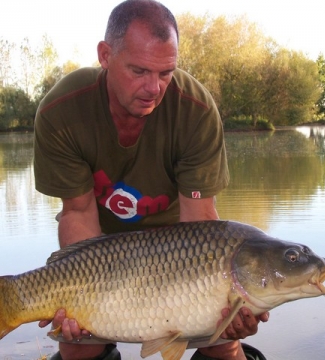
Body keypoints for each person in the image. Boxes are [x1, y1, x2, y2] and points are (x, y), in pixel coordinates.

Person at [33, 0, 269, 359]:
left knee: (224, 344)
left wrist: (222, 313)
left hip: (179, 250)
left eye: (165, 72)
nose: (154, 88)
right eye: (139, 71)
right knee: (77, 346)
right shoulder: (62, 111)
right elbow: (78, 214)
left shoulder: (195, 110)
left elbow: (201, 222)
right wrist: (76, 299)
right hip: (102, 250)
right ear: (105, 55)